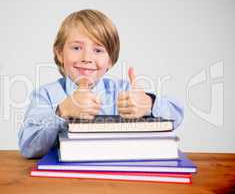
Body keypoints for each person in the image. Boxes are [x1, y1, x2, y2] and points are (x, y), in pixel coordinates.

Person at [18, 9, 184, 158]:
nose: (87, 58)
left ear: (110, 60)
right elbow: (28, 147)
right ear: (60, 53)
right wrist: (62, 111)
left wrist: (149, 103)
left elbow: (176, 117)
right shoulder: (45, 96)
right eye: (76, 48)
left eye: (98, 50)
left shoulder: (123, 92)